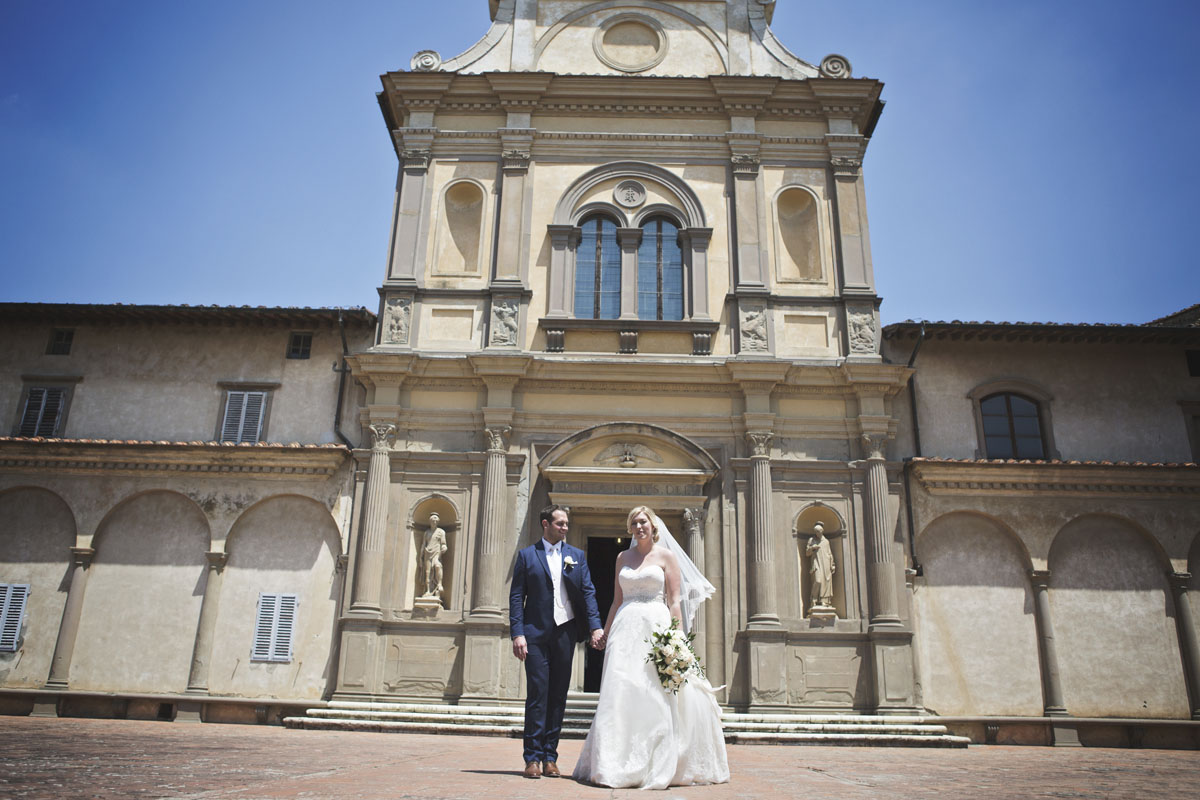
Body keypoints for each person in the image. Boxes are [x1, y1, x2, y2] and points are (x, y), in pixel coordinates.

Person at [573, 506, 729, 790]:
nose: (639, 526)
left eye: (643, 521)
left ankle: (658, 760)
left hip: (656, 627)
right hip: (625, 629)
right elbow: (616, 600)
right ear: (630, 527)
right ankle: (614, 762)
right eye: (634, 522)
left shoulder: (666, 556)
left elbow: (673, 601)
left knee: (653, 691)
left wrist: (677, 638)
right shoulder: (622, 557)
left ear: (653, 525)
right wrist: (605, 633)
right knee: (620, 690)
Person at [509, 504, 604, 779]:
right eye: (560, 523)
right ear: (545, 524)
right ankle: (532, 758)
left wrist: (595, 627)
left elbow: (588, 593)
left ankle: (551, 756)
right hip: (535, 634)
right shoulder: (527, 556)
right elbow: (517, 597)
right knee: (538, 694)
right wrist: (518, 633)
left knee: (558, 697)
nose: (565, 528)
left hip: (565, 633)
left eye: (566, 524)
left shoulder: (577, 556)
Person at [806, 521, 835, 609]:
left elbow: (830, 554)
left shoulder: (826, 541)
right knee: (818, 580)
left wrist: (832, 565)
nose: (817, 533)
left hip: (826, 564)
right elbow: (807, 553)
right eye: (815, 532)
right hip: (816, 563)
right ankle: (813, 600)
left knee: (826, 581)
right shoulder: (812, 540)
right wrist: (812, 548)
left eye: (818, 531)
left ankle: (824, 601)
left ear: (822, 531)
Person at [420, 513, 448, 599]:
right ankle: (428, 590)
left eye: (436, 520)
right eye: (432, 520)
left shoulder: (441, 532)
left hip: (437, 552)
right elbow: (424, 544)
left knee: (437, 565)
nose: (434, 522)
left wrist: (444, 547)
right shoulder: (427, 532)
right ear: (430, 521)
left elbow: (443, 543)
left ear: (438, 522)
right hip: (427, 553)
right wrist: (420, 557)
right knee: (427, 572)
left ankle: (439, 584)